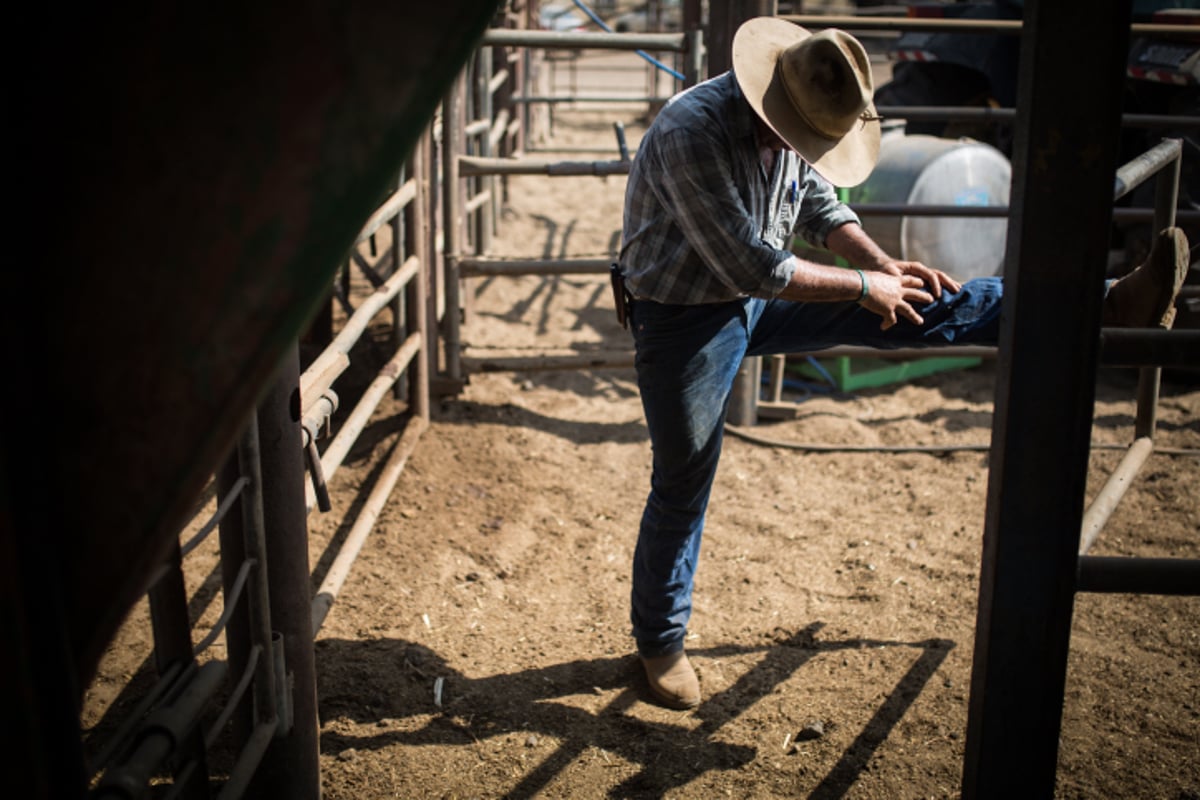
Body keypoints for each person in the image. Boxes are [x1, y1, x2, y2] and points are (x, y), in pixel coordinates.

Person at [614, 17, 1188, 710]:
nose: (807, 147)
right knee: (683, 481)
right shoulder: (690, 131)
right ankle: (660, 638)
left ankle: (1104, 304)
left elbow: (816, 203)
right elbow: (748, 262)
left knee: (922, 302)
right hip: (684, 317)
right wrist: (863, 286)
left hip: (757, 291)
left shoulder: (790, 117)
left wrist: (881, 265)